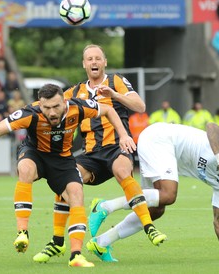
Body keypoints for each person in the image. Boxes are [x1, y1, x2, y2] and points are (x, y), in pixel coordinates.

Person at [0, 83, 136, 267]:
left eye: (56, 106)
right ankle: (22, 232)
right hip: (36, 153)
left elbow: (108, 110)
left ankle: (76, 255)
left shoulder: (78, 107)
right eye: (47, 108)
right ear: (40, 105)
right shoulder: (30, 113)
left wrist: (123, 135)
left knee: (76, 193)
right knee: (25, 169)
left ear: (64, 101)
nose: (52, 112)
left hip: (62, 160)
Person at [33, 44, 167, 263]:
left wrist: (114, 95)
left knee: (123, 171)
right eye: (89, 59)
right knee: (65, 181)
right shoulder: (74, 92)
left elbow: (140, 106)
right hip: (90, 155)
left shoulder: (117, 82)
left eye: (97, 58)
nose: (94, 62)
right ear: (84, 64)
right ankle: (57, 242)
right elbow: (51, 108)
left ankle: (149, 227)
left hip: (116, 147)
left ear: (104, 62)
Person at [85, 122, 219, 262]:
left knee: (156, 209)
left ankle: (101, 243)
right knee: (169, 195)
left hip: (158, 150)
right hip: (160, 138)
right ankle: (104, 206)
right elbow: (212, 127)